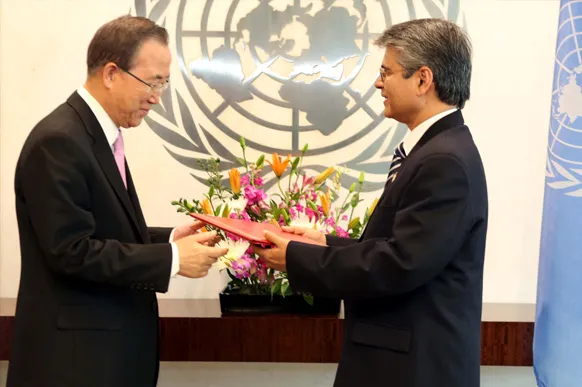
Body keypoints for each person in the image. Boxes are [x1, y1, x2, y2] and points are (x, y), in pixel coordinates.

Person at [255, 18, 488, 387]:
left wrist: (298, 258)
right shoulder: (436, 151)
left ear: (423, 80)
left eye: (386, 72)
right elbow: (397, 247)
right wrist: (322, 243)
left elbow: (398, 264)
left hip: (413, 370)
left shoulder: (445, 161)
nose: (378, 83)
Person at [6, 16, 228, 387]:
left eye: (164, 83)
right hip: (74, 363)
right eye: (152, 82)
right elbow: (71, 251)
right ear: (111, 73)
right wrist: (173, 260)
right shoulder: (59, 141)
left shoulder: (92, 135)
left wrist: (170, 238)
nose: (157, 97)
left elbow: (105, 229)